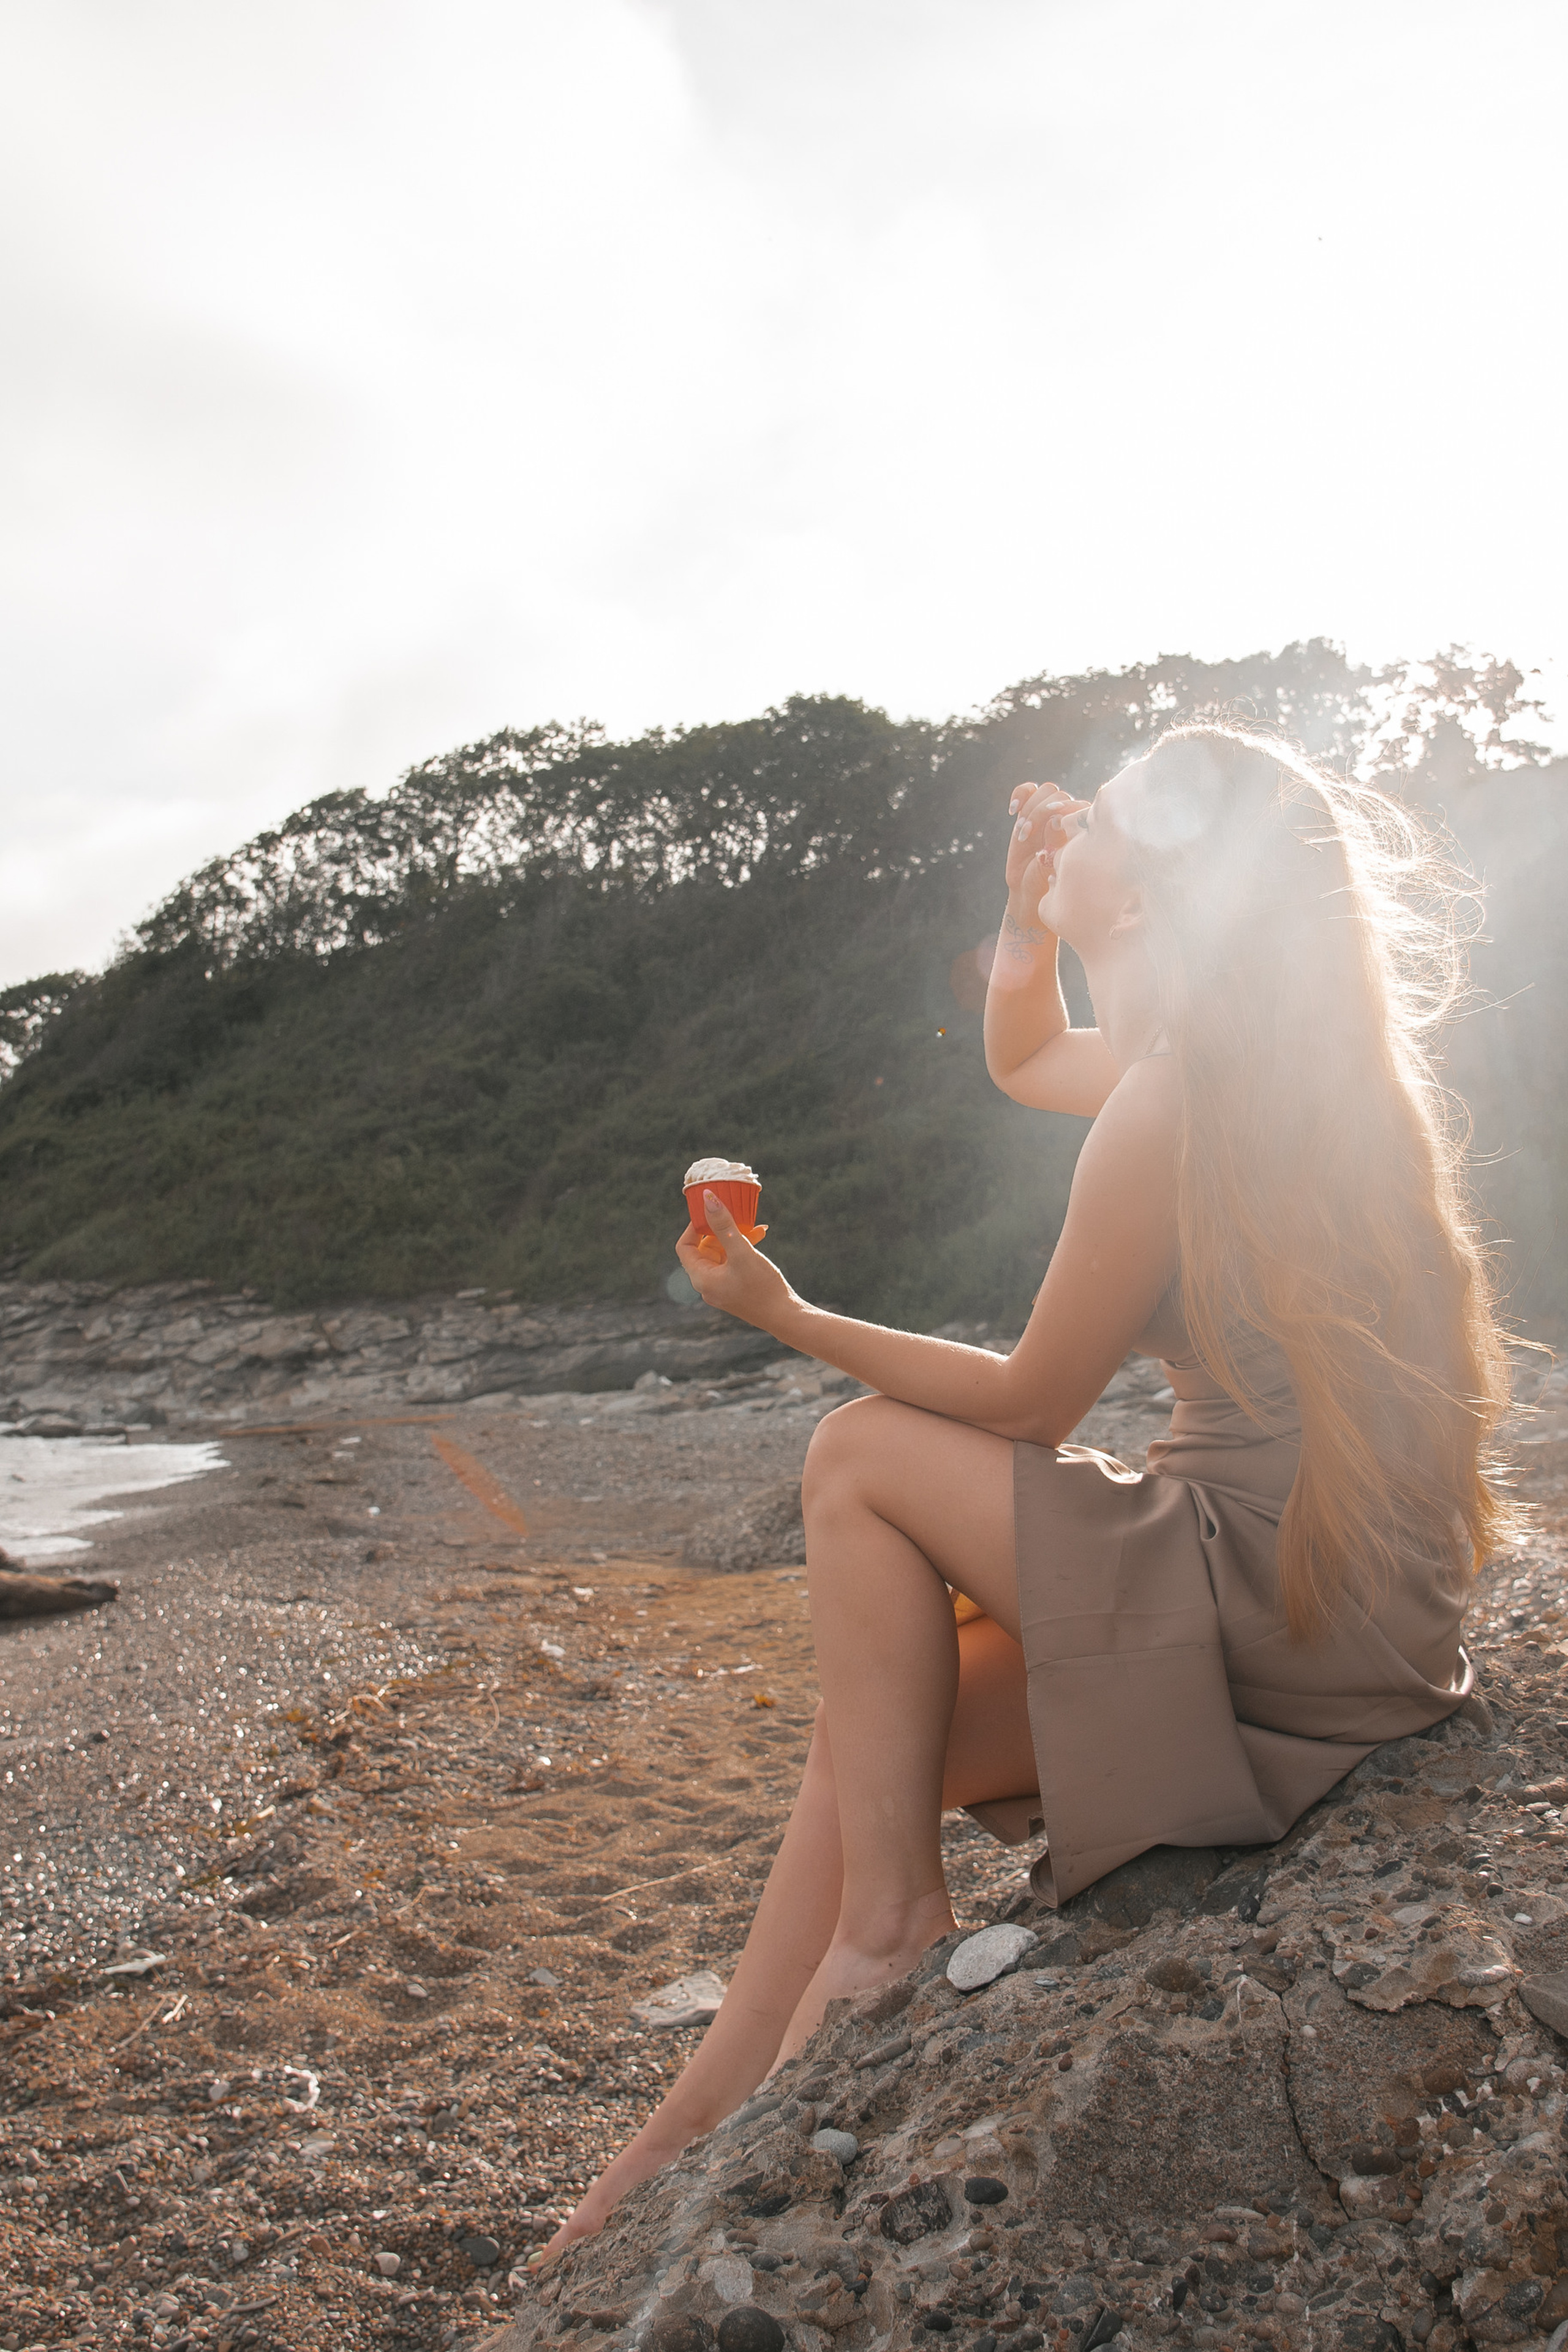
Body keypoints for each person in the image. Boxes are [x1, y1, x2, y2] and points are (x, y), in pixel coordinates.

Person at [539, 722, 1518, 2260]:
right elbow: (1013, 1056)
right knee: (881, 1732)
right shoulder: (1236, 1065)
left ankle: (888, 1933)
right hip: (1341, 1623)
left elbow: (1027, 1402)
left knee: (854, 1454)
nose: (1064, 819)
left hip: (1262, 1588)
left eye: (1104, 816)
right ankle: (667, 2149)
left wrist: (784, 1318)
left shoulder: (1172, 1097)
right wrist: (1020, 913)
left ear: (1144, 900)